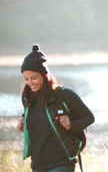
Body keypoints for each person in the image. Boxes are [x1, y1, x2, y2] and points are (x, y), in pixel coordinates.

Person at [16, 44, 95, 172]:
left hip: (62, 162)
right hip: (37, 164)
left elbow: (89, 117)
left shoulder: (64, 95)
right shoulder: (27, 98)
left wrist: (71, 125)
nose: (30, 83)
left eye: (34, 78)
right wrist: (23, 125)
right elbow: (35, 120)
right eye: (26, 79)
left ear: (44, 75)